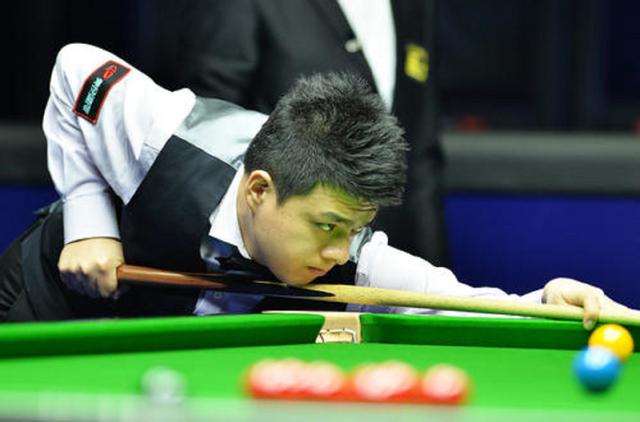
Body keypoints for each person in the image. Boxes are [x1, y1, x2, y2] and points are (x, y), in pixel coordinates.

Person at [0, 44, 632, 327]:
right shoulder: (170, 135)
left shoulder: (353, 253)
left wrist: (546, 303)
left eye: (354, 230)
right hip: (45, 304)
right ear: (258, 191)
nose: (338, 251)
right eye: (326, 227)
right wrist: (89, 224)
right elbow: (75, 67)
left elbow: (452, 300)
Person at [178, 0, 446, 265]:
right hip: (266, 266)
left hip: (381, 259)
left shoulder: (416, 6)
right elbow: (211, 123)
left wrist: (431, 269)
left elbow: (421, 157)